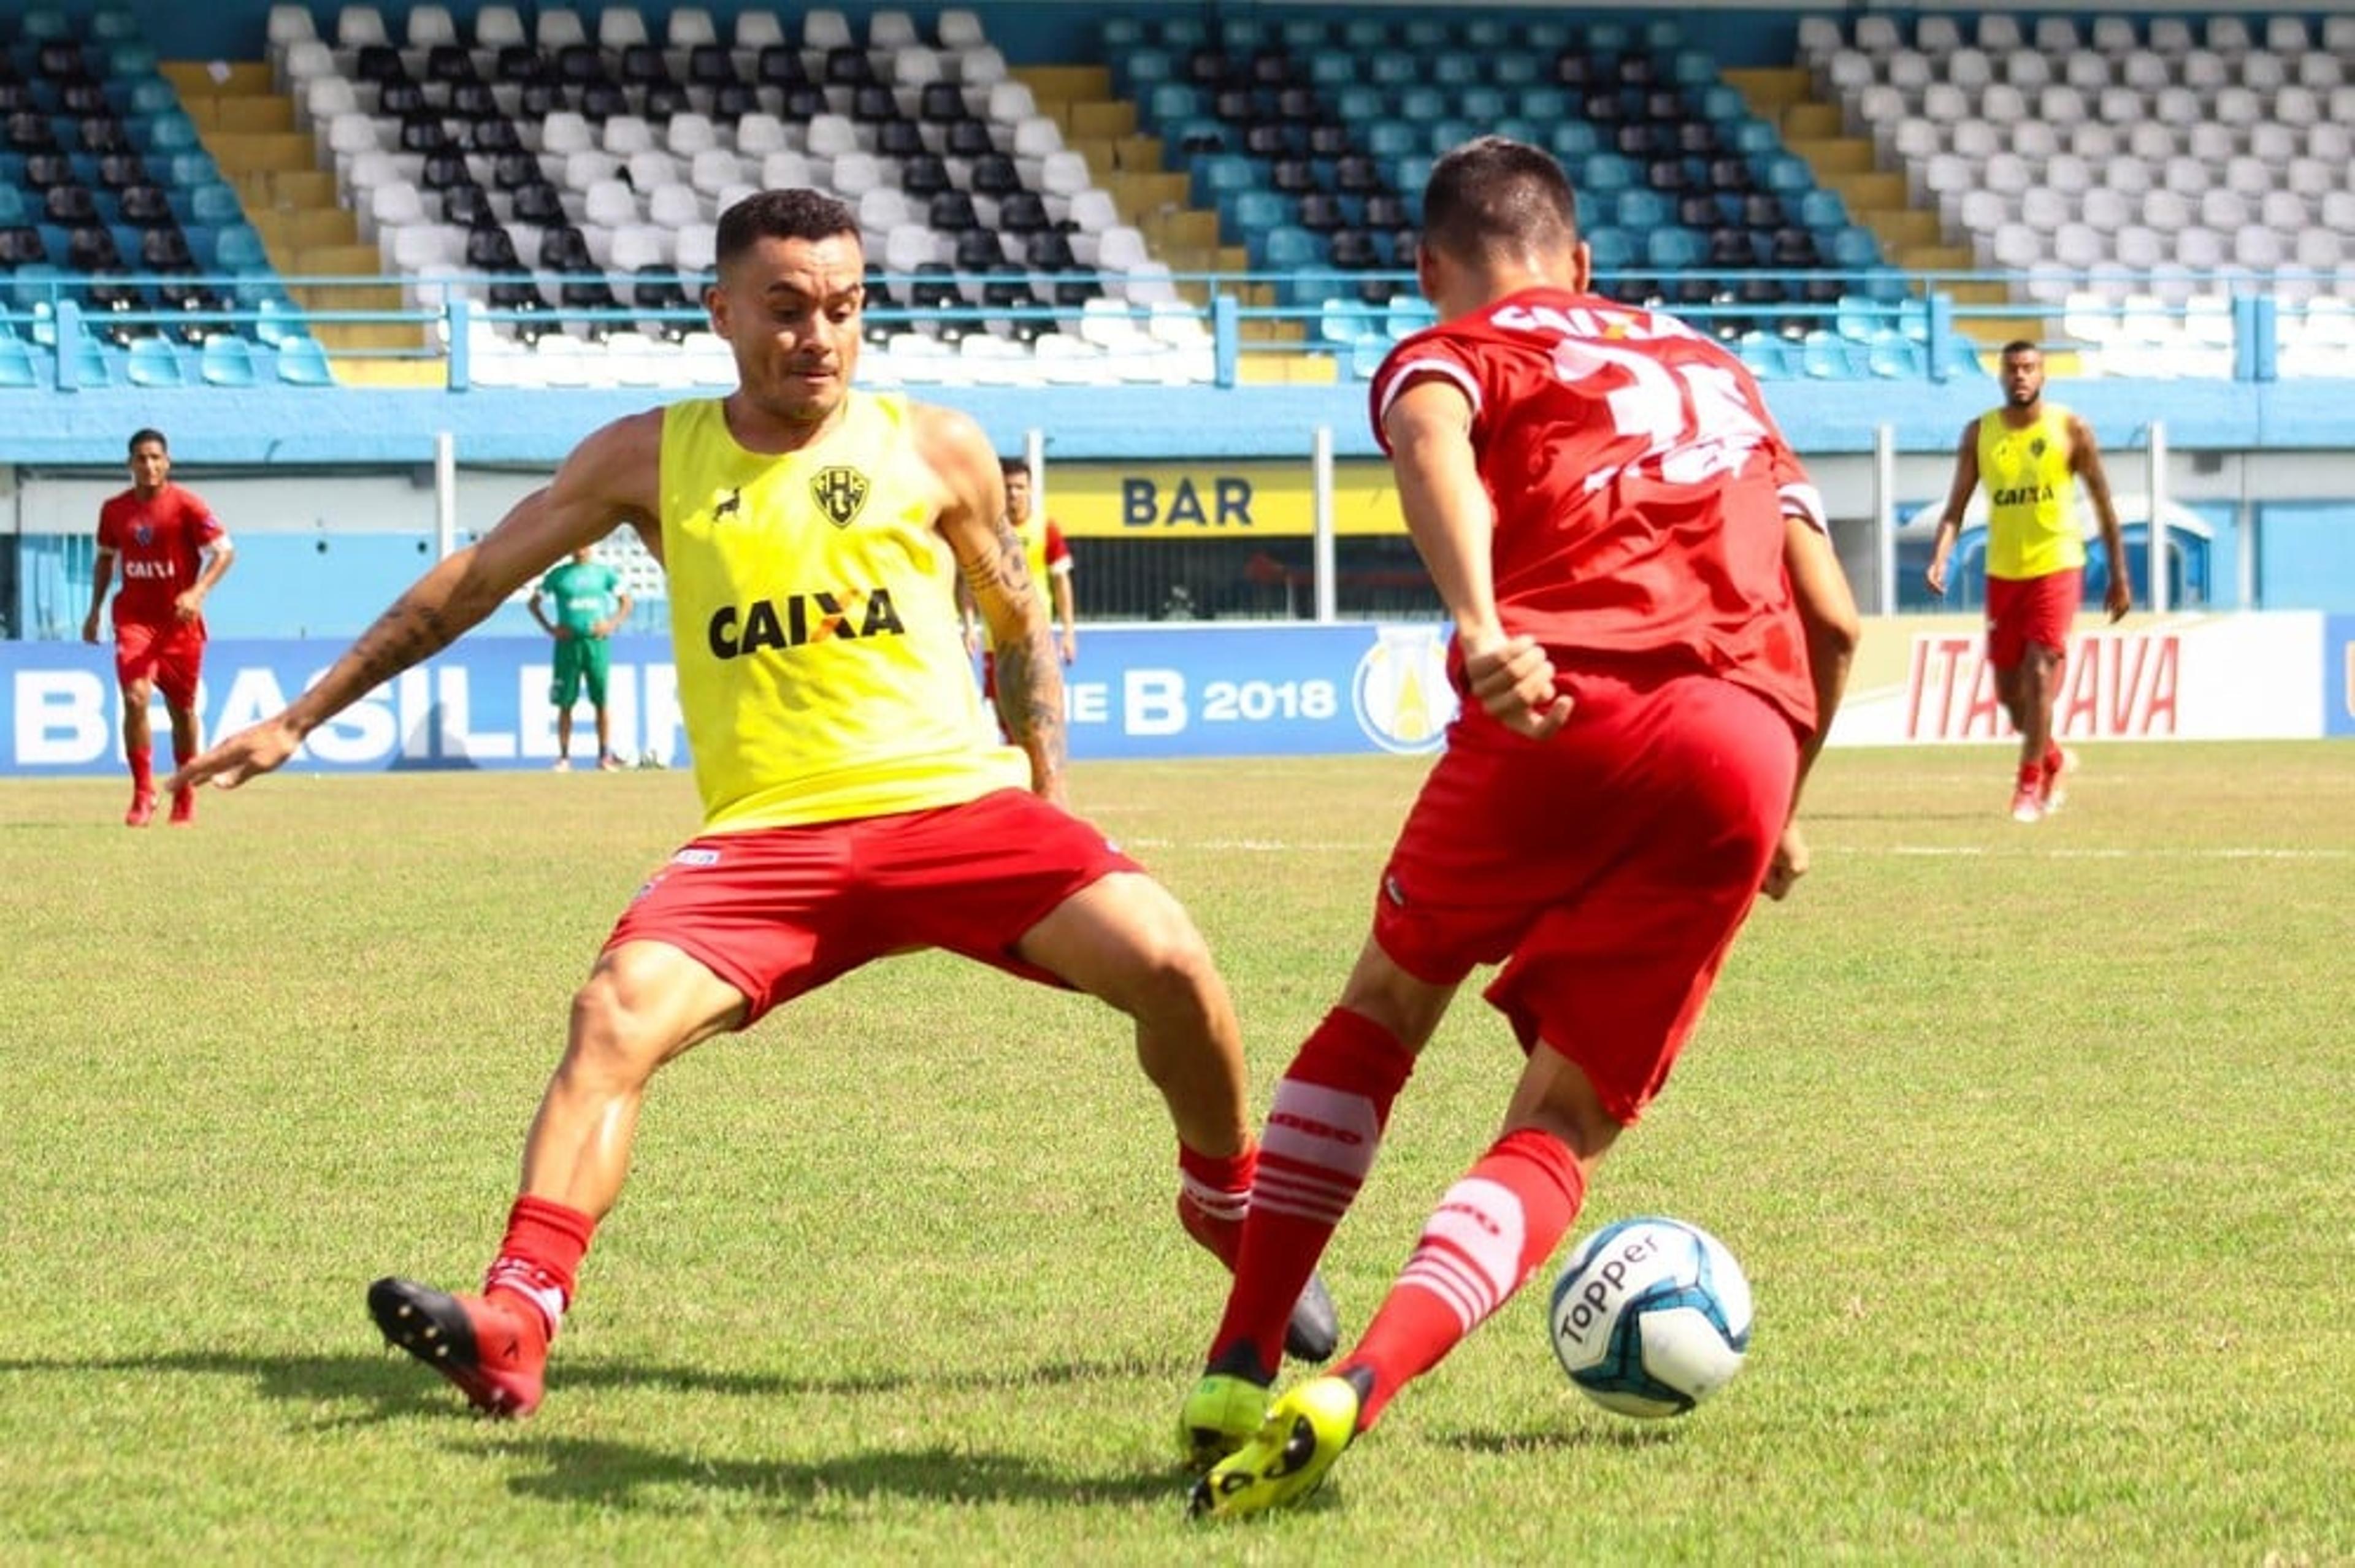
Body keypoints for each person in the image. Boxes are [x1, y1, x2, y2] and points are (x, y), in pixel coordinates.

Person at [169, 188, 1333, 1419]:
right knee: (612, 1016)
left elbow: (1016, 623)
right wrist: (300, 716)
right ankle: (515, 1319)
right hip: (766, 838)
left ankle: (1226, 1199)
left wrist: (1052, 802)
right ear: (721, 312)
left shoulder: (936, 445)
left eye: (843, 308)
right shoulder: (646, 457)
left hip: (954, 809)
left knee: (1174, 960)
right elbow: (471, 583)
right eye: (786, 309)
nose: (819, 334)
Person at [1177, 137, 1861, 1520]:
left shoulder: (1467, 345)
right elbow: (1836, 620)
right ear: (1586, 262)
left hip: (1564, 700)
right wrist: (1784, 794)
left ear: (1430, 273)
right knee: (1563, 1117)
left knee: (1387, 1004)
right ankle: (1358, 1385)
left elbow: (1430, 427)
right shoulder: (1720, 373)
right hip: (1743, 739)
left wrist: (1486, 627)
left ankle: (1242, 1357)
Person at [1924, 340, 2131, 822]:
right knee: (2011, 700)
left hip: (2057, 564)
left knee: (2041, 671)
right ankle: (2053, 757)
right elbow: (1955, 507)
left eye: (2030, 368)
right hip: (2004, 573)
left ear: (2043, 375)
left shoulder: (2070, 429)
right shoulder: (1981, 433)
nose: (2021, 376)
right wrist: (1941, 556)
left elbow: (2103, 504)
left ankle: (2028, 787)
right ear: (2001, 376)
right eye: (2013, 369)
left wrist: (2119, 576)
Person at [81, 427, 234, 827]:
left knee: (182, 712)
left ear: (167, 462)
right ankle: (143, 792)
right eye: (140, 458)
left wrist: (197, 592)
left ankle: (184, 790)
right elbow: (104, 559)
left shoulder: (187, 506)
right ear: (130, 464)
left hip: (180, 626)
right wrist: (95, 609)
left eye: (155, 457)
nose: (148, 465)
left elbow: (225, 552)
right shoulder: (114, 511)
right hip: (133, 620)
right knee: (135, 698)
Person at [963, 457, 1076, 735]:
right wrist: (969, 626)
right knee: (1004, 715)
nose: (1013, 494)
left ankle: (1036, 775)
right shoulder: (985, 530)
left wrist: (1069, 632)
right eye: (1008, 488)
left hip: (1036, 640)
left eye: (1019, 487)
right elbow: (969, 582)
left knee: (1036, 713)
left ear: (1030, 489)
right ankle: (1023, 771)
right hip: (996, 642)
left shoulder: (1044, 529)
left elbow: (1061, 581)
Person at [529, 544, 633, 770]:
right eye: (576, 545)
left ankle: (604, 756)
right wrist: (550, 628)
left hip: (596, 645)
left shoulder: (604, 574)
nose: (580, 549)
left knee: (601, 700)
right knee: (565, 702)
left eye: (585, 545)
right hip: (568, 646)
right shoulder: (558, 575)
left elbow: (626, 601)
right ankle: (564, 757)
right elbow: (534, 602)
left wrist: (611, 624)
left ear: (592, 547)